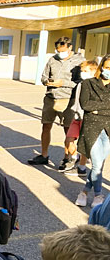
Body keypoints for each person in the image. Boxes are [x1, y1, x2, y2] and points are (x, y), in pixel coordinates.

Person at [28, 37, 85, 167]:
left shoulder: (79, 61)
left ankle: (67, 157)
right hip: (50, 97)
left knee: (68, 130)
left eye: (63, 51)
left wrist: (63, 83)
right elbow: (43, 76)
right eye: (58, 51)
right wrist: (46, 81)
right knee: (46, 126)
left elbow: (81, 82)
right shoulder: (53, 59)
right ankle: (44, 155)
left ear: (70, 47)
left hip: (68, 99)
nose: (60, 53)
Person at [75, 54, 110, 208]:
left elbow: (92, 106)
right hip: (91, 128)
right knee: (96, 164)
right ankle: (98, 195)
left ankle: (83, 192)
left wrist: (97, 109)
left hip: (108, 129)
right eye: (108, 67)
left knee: (99, 166)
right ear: (101, 66)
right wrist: (105, 108)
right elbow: (85, 104)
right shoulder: (88, 83)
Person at [61, 60, 96, 175]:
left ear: (93, 71)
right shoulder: (81, 84)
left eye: (85, 71)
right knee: (69, 140)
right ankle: (76, 157)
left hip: (86, 118)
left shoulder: (95, 85)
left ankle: (81, 167)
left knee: (84, 143)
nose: (83, 73)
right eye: (82, 71)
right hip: (76, 116)